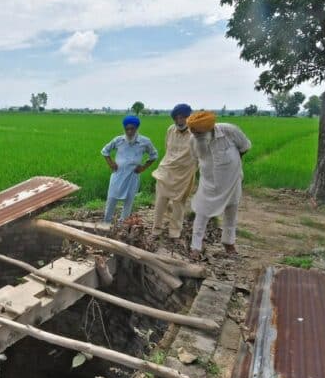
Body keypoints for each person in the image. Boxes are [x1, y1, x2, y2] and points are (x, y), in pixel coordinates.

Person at [186, 111, 251, 260]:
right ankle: (195, 247)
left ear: (209, 128)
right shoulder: (193, 140)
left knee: (231, 212)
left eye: (198, 131)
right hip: (208, 183)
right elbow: (195, 158)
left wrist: (232, 167)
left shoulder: (229, 131)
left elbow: (245, 147)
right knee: (202, 213)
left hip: (231, 182)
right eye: (192, 131)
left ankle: (229, 244)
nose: (194, 134)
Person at [152, 103, 197, 240]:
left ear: (189, 118)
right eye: (177, 118)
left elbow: (200, 154)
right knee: (160, 201)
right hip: (166, 170)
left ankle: (174, 232)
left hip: (184, 174)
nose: (180, 121)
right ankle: (156, 229)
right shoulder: (171, 130)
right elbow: (167, 149)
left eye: (183, 117)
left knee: (178, 204)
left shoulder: (196, 134)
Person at [101, 115, 158, 223]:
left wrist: (144, 167)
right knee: (111, 198)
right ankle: (106, 222)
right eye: (127, 129)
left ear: (137, 128)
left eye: (132, 128)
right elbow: (105, 151)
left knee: (129, 200)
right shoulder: (118, 140)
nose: (130, 131)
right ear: (124, 128)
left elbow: (154, 155)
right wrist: (111, 163)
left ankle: (122, 224)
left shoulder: (145, 141)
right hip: (118, 174)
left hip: (133, 175)